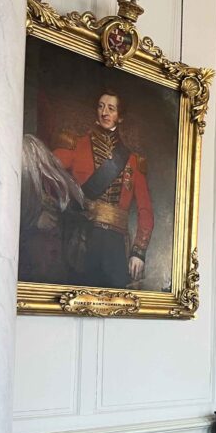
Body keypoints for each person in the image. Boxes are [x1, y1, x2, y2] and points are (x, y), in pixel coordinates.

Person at [54, 89, 153, 288]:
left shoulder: (133, 159)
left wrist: (138, 251)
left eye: (111, 108)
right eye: (101, 106)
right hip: (84, 237)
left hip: (116, 244)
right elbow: (47, 170)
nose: (104, 113)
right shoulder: (76, 144)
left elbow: (145, 209)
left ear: (120, 116)